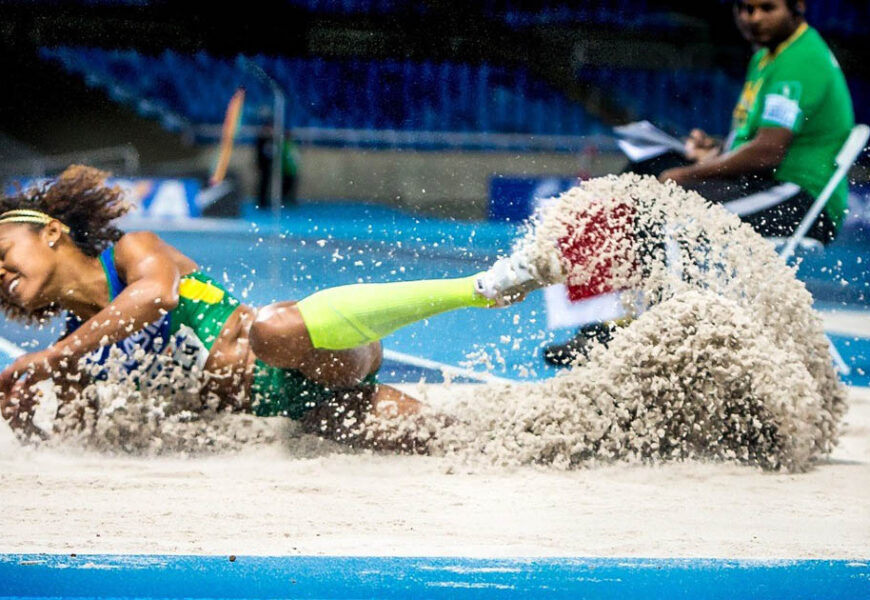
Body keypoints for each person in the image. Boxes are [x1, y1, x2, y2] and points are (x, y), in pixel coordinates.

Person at [0, 166, 546, 444]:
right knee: (457, 445)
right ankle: (522, 441)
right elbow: (83, 441)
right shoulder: (71, 349)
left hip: (314, 344)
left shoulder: (131, 251)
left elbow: (155, 298)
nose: (0, 274)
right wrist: (26, 424)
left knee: (272, 328)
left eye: (2, 253)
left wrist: (48, 360)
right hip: (302, 406)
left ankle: (478, 288)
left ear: (51, 232)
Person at [545, 0, 855, 365]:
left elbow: (769, 152)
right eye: (745, 9)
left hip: (799, 199)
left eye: (766, 8)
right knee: (641, 176)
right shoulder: (767, 57)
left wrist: (689, 174)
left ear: (797, 7)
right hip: (767, 185)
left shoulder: (800, 59)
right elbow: (752, 143)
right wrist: (715, 150)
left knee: (670, 210)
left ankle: (666, 335)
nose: (753, 18)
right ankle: (612, 324)